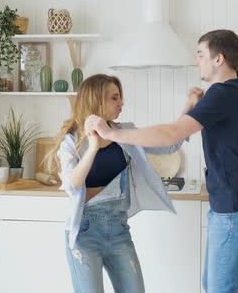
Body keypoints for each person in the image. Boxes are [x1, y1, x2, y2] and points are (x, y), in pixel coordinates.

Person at [87, 29, 238, 293]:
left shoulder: (222, 94)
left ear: (219, 59)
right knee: (215, 287)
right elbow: (177, 132)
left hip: (232, 209)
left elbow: (171, 134)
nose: (197, 60)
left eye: (201, 54)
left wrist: (111, 133)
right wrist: (191, 105)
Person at [45, 73, 192, 293]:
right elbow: (72, 184)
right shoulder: (72, 139)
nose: (121, 103)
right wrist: (93, 146)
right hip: (85, 232)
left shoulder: (123, 133)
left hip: (118, 229)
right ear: (96, 100)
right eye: (114, 98)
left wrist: (189, 109)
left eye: (120, 97)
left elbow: (168, 145)